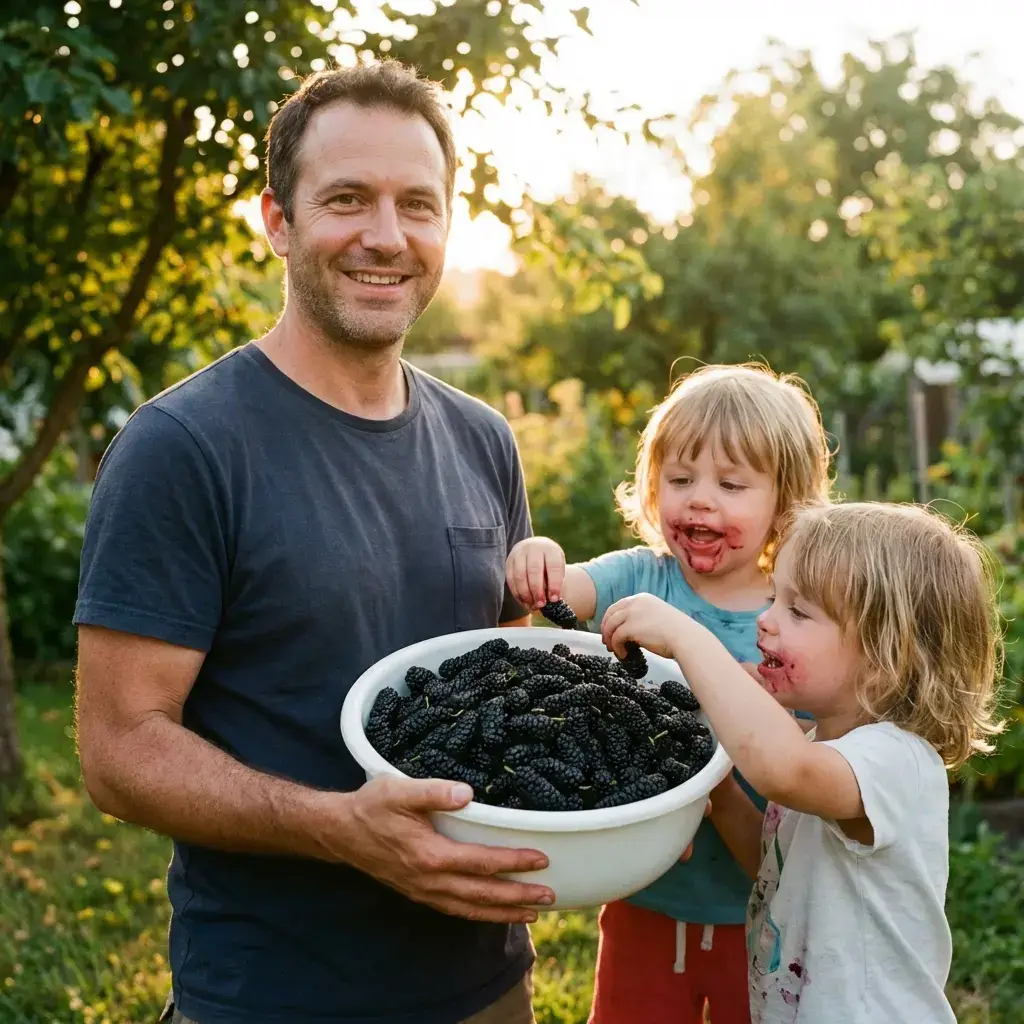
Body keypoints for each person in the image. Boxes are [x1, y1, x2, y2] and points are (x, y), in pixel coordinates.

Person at [73, 60, 556, 1024]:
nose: (386, 236)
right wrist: (341, 828)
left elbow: (503, 689)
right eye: (346, 199)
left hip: (488, 983)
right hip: (273, 994)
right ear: (278, 221)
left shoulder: (484, 439)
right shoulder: (181, 447)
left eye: (417, 205)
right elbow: (118, 751)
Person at [505, 364, 831, 1024]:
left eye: (731, 485)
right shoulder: (640, 578)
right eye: (680, 480)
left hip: (761, 912)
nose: (699, 501)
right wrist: (538, 560)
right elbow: (563, 591)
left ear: (786, 501)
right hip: (644, 899)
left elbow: (820, 745)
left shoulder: (797, 616)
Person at [601, 500, 1003, 1023]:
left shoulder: (896, 760)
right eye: (775, 598)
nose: (765, 621)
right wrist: (719, 790)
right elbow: (774, 869)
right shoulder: (819, 746)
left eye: (798, 611)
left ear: (885, 655)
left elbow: (782, 771)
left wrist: (689, 639)